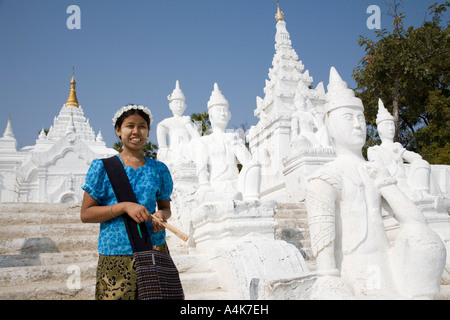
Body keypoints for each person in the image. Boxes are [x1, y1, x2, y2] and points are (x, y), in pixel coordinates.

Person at [305, 67, 445, 299]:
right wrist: (328, 277)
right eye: (348, 118)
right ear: (329, 125)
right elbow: (324, 251)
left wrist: (384, 183)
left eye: (360, 118)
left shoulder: (374, 170)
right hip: (353, 266)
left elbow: (415, 221)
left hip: (387, 262)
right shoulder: (325, 177)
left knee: (425, 238)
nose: (358, 125)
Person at [80, 104, 174, 300]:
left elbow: (165, 208)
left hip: (153, 250)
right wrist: (123, 207)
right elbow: (86, 214)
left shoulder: (159, 169)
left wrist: (161, 216)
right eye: (129, 126)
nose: (136, 131)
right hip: (116, 254)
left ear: (148, 132)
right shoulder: (103, 168)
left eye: (142, 127)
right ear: (117, 130)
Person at [194, 83, 261, 202]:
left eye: (225, 110)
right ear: (211, 116)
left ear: (229, 115)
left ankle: (252, 201)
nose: (223, 113)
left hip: (237, 184)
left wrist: (237, 144)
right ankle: (232, 199)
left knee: (254, 165)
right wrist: (205, 185)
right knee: (208, 195)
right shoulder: (204, 141)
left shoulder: (232, 137)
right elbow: (201, 168)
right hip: (217, 185)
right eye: (219, 110)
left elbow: (248, 161)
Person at [156, 80, 200, 164]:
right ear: (170, 105)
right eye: (176, 103)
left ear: (185, 106)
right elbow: (162, 147)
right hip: (172, 153)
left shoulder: (188, 121)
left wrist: (187, 124)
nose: (179, 106)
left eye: (181, 103)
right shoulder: (164, 123)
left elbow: (197, 139)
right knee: (162, 154)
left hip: (189, 153)